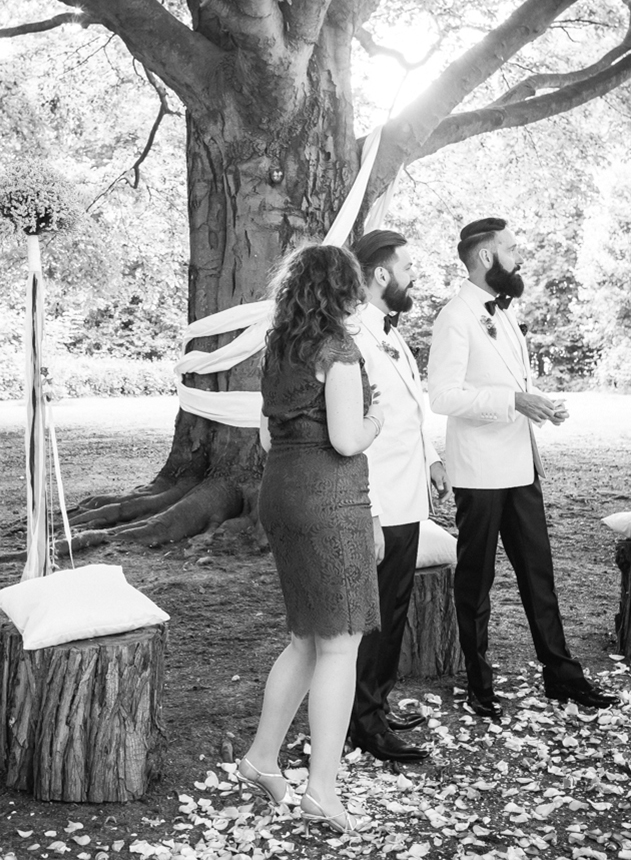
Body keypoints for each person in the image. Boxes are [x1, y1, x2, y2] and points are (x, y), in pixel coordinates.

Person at [428, 217, 618, 714]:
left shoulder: (506, 314)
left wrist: (539, 406)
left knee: (540, 576)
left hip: (521, 465)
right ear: (486, 256)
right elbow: (443, 397)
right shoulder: (454, 316)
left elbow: (512, 386)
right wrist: (513, 400)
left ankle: (562, 675)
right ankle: (479, 684)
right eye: (511, 249)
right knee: (477, 583)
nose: (518, 257)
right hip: (480, 472)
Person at [237, 244, 382, 836]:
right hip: (328, 500)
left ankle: (261, 759)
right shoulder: (337, 352)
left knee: (304, 639)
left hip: (283, 494)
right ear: (344, 291)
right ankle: (322, 789)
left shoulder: (279, 350)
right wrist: (381, 420)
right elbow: (348, 440)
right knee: (339, 646)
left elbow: (271, 439)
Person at [345, 229, 448, 763]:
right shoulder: (354, 336)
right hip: (379, 499)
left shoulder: (391, 332)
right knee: (375, 615)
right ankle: (362, 722)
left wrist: (431, 458)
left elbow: (411, 407)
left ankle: (376, 704)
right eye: (407, 267)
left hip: (410, 493)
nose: (412, 276)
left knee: (396, 607)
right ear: (381, 274)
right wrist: (373, 512)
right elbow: (353, 434)